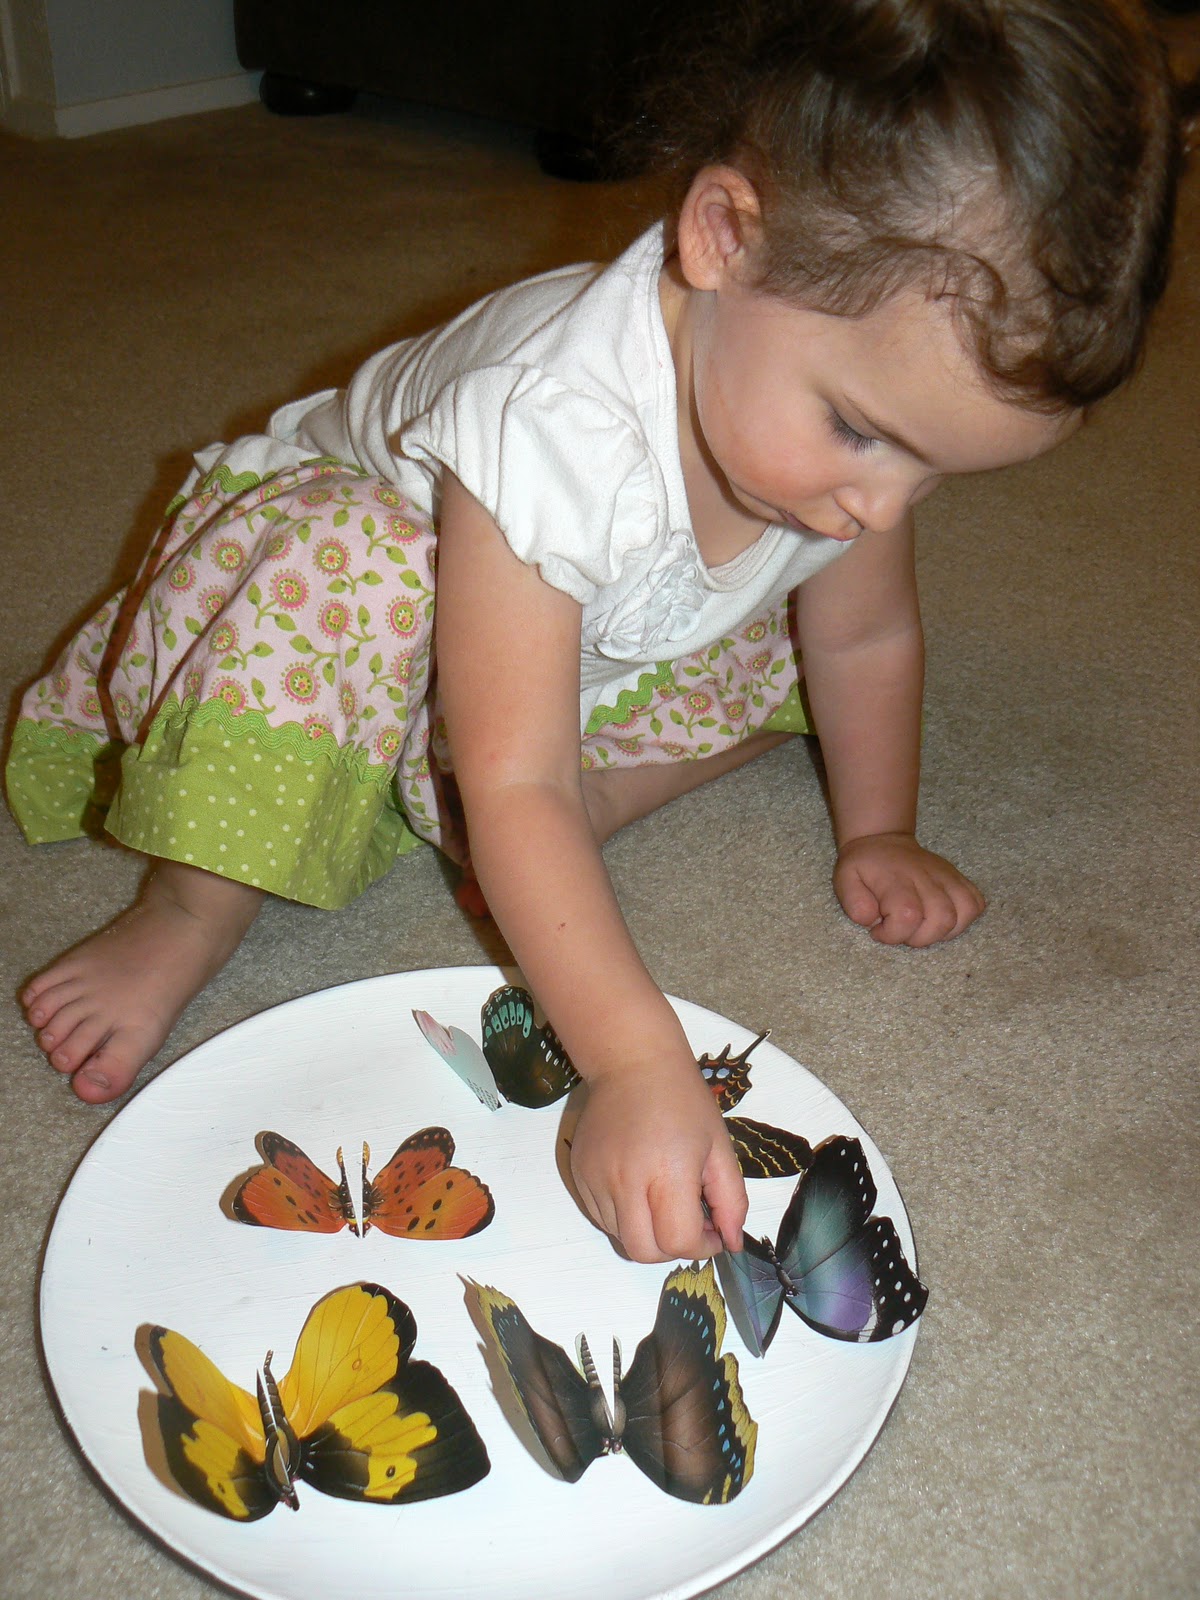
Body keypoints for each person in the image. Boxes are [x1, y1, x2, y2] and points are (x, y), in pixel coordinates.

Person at [7, 0, 1178, 1263]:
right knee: (367, 598)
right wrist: (631, 1060)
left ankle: (564, 810)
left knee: (793, 661)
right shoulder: (551, 424)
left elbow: (866, 644)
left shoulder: (828, 455)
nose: (882, 508)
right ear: (725, 236)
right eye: (862, 431)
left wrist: (878, 823)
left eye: (938, 471)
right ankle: (191, 909)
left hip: (560, 639)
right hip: (354, 611)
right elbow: (513, 771)